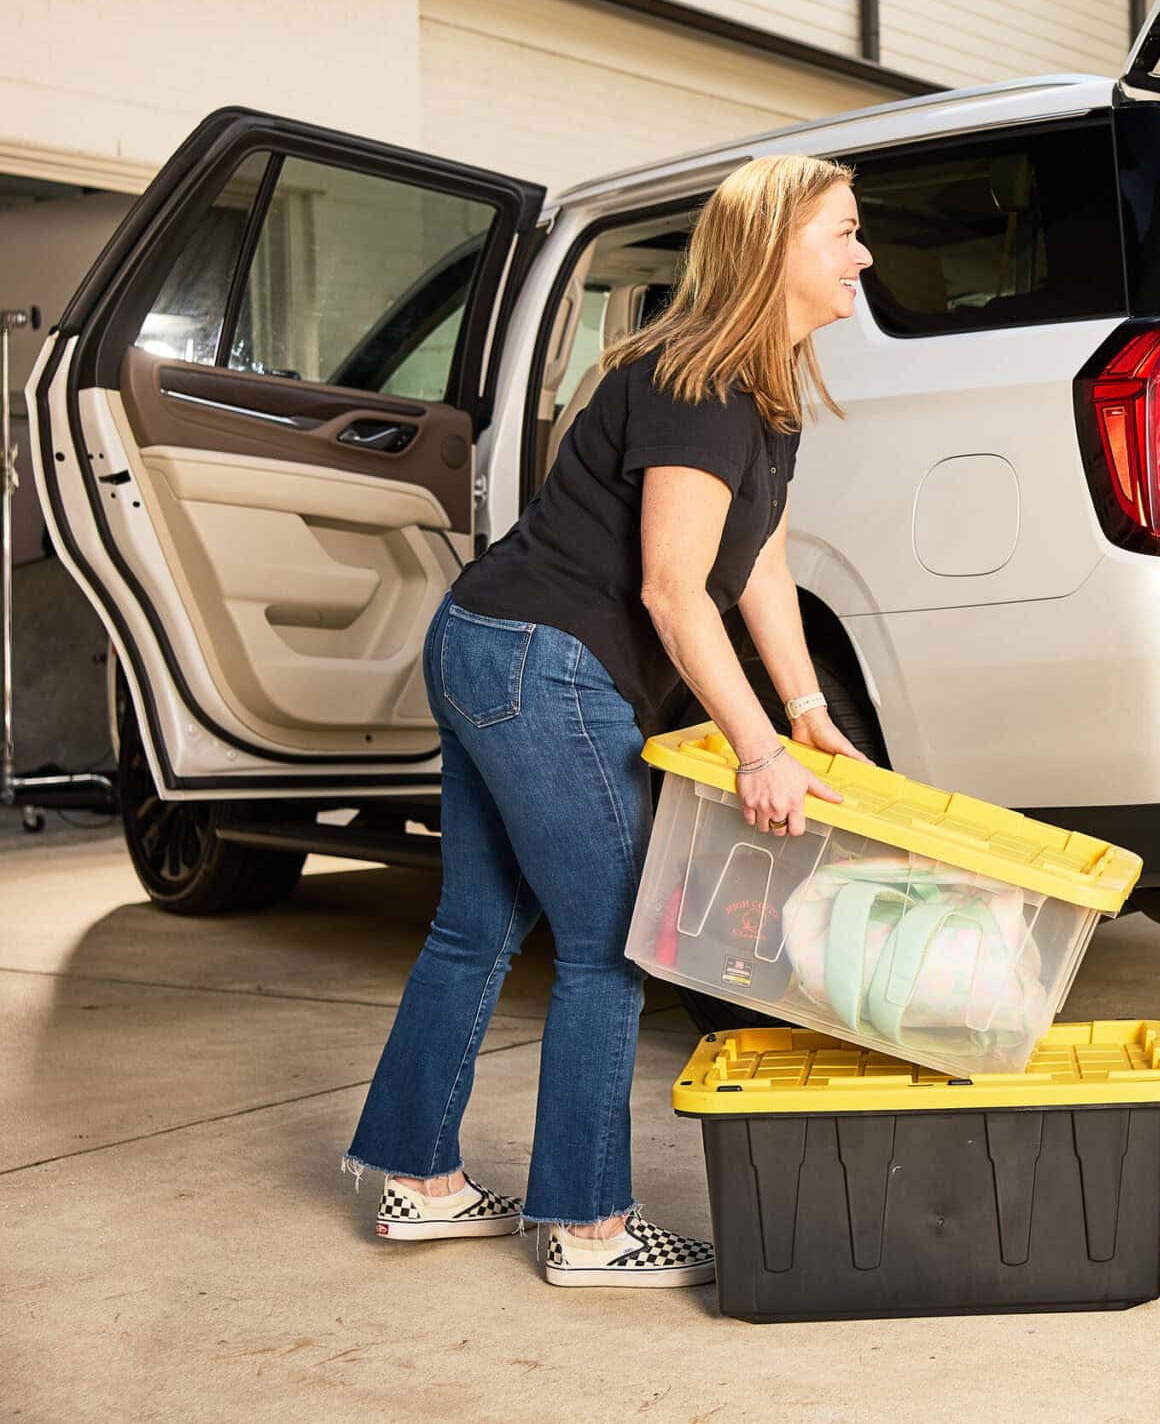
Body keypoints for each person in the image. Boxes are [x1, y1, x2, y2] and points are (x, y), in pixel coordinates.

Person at [343, 155, 875, 1284]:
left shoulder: (757, 388)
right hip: (543, 662)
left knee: (476, 925)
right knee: (611, 943)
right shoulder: (699, 385)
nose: (861, 255)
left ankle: (410, 1174)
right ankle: (588, 1225)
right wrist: (758, 754)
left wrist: (805, 705)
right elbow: (674, 591)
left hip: (491, 642)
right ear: (775, 245)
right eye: (842, 233)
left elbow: (759, 554)